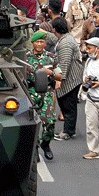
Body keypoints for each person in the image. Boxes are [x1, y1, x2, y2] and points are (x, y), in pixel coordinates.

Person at [25, 31, 59, 160]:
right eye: (37, 42)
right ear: (33, 43)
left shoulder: (51, 57)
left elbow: (60, 75)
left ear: (45, 43)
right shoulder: (26, 58)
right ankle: (35, 149)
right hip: (31, 92)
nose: (39, 44)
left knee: (49, 122)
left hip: (47, 92)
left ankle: (46, 144)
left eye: (42, 42)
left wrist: (50, 72)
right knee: (31, 123)